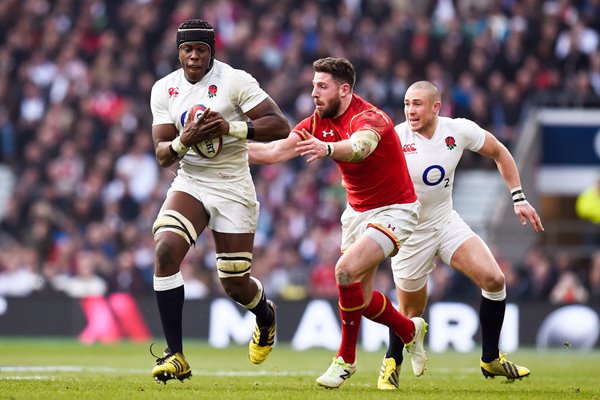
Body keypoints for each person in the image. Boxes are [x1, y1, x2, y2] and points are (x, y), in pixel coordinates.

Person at [248, 57, 427, 389]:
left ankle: (345, 360)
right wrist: (226, 149)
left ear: (344, 90)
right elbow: (274, 151)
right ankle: (409, 329)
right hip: (357, 213)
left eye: (322, 86)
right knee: (361, 295)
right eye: (313, 85)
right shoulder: (317, 121)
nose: (314, 92)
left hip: (395, 209)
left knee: (344, 271)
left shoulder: (370, 117)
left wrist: (327, 148)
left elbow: (360, 147)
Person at [376, 81, 544, 390]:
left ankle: (490, 359)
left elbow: (499, 151)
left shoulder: (458, 131)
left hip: (445, 221)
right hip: (411, 233)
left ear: (436, 107)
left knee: (494, 280)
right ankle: (392, 362)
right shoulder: (396, 138)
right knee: (411, 312)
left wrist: (518, 197)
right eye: (406, 104)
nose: (410, 110)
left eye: (417, 104)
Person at [149, 19, 290, 384]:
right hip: (192, 181)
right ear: (178, 51)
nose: (194, 56)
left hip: (232, 186)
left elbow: (279, 124)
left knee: (234, 284)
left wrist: (233, 128)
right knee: (165, 250)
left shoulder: (235, 80)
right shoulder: (164, 89)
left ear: (213, 51)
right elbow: (163, 155)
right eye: (187, 49)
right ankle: (175, 354)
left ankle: (264, 315)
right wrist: (186, 139)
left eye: (201, 49)